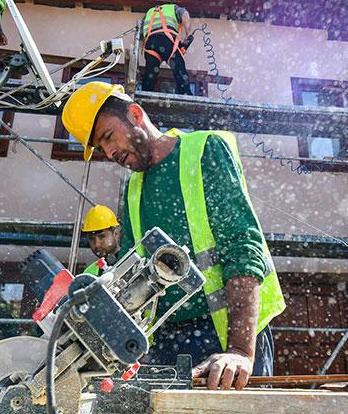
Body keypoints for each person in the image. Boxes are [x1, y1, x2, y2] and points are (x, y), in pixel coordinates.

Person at [61, 82, 286, 390]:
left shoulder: (203, 151)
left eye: (108, 137)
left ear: (136, 115)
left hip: (225, 334)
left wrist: (240, 351)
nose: (110, 152)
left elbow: (243, 248)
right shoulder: (133, 191)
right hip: (164, 341)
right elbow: (127, 274)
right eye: (101, 148)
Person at [140, 4, 194, 95]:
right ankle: (186, 94)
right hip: (167, 40)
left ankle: (145, 96)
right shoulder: (173, 8)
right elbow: (184, 14)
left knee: (150, 73)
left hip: (150, 44)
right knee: (179, 69)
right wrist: (188, 34)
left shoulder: (148, 13)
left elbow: (141, 34)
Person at [81, 205, 122, 275]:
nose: (97, 244)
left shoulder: (132, 262)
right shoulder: (89, 272)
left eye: (102, 236)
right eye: (92, 238)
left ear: (116, 234)